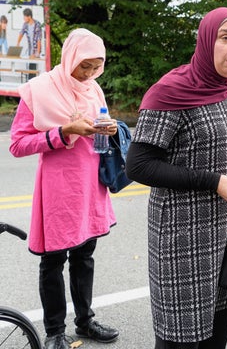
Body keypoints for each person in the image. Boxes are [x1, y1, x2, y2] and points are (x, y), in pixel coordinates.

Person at [124, 7, 227, 349]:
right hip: (180, 239)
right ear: (205, 41)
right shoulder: (170, 92)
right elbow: (138, 165)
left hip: (225, 232)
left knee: (217, 333)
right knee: (180, 340)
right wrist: (212, 181)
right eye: (225, 38)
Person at [9, 28, 120, 349]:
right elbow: (18, 144)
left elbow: (100, 133)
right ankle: (55, 331)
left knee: (85, 256)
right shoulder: (39, 90)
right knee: (53, 260)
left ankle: (85, 321)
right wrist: (63, 131)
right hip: (58, 189)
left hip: (90, 186)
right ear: (70, 56)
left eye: (96, 67)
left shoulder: (93, 89)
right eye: (85, 65)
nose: (89, 73)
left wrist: (109, 129)